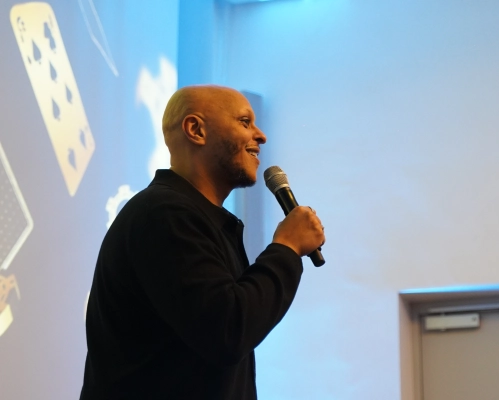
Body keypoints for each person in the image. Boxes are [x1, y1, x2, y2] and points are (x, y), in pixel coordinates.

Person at [80, 85, 325, 399]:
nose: (261, 135)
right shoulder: (164, 214)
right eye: (245, 122)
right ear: (196, 130)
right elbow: (228, 330)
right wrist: (286, 248)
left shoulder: (195, 219)